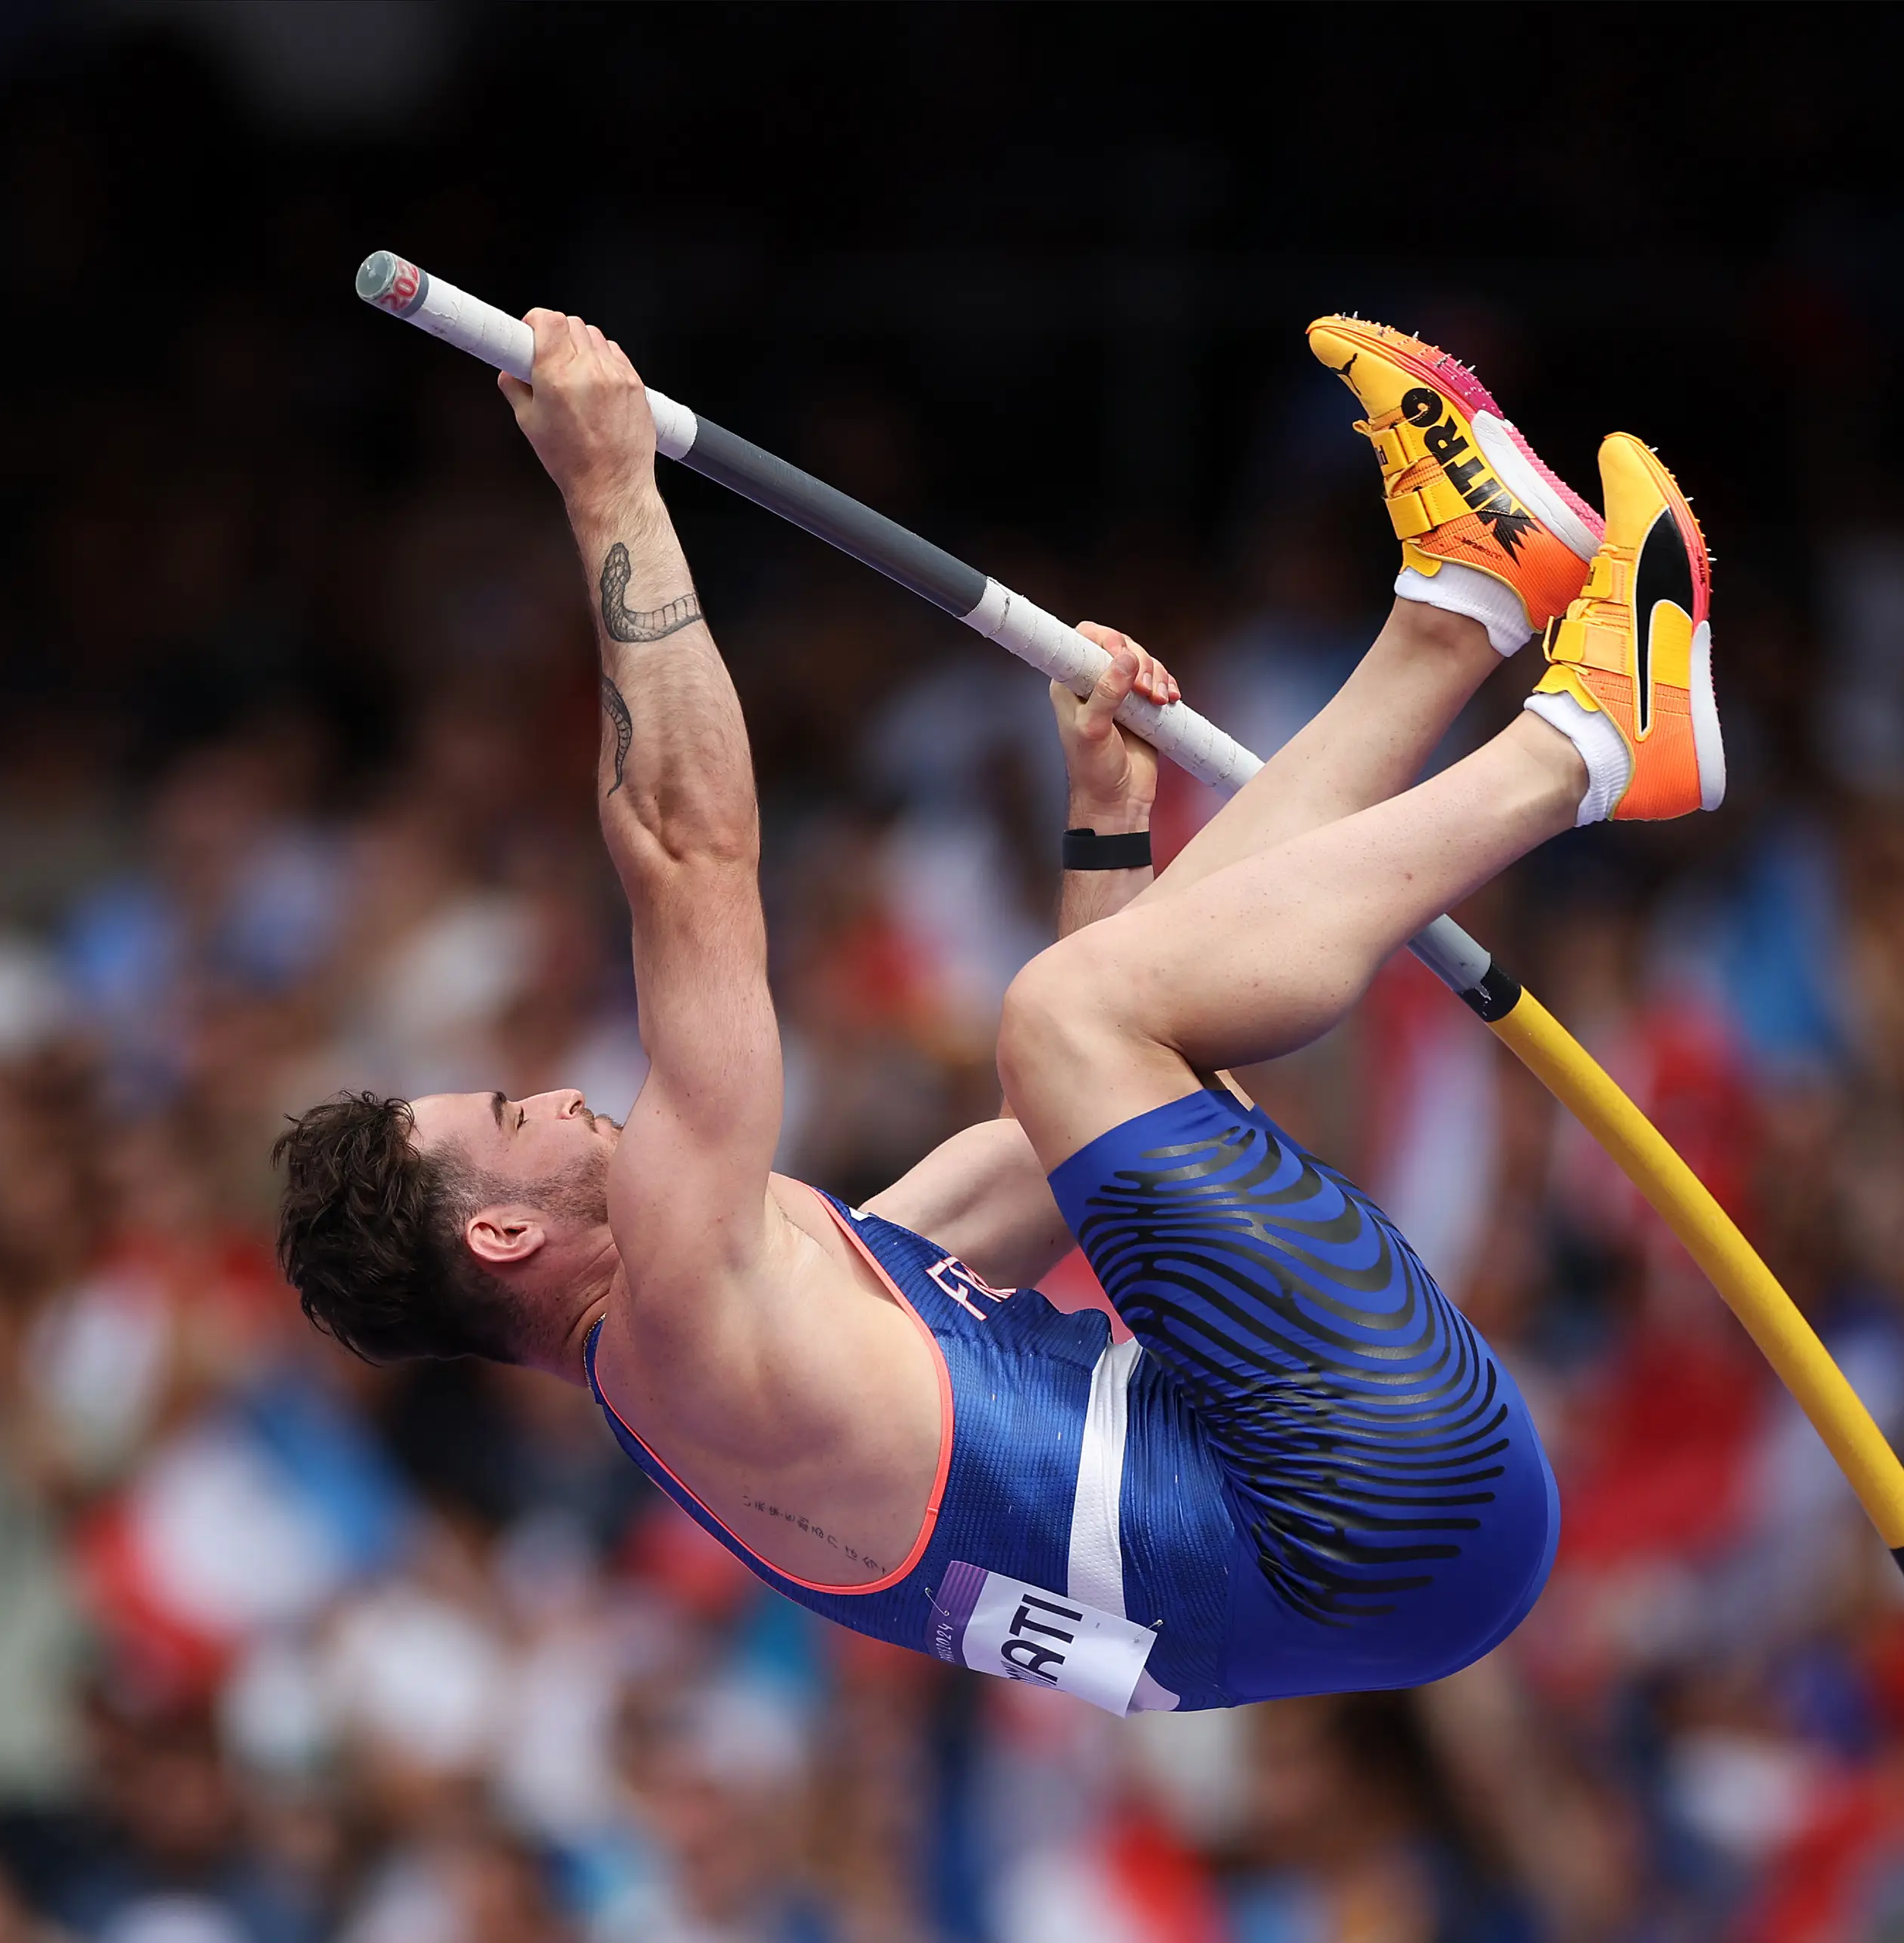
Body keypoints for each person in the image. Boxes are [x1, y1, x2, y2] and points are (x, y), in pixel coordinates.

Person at [275, 313, 1720, 1712]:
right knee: (1065, 1015)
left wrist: (1104, 833)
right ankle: (1591, 742)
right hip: (1368, 1508)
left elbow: (1075, 1150)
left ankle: (1463, 608)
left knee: (1088, 1020)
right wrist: (610, 488)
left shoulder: (752, 1357)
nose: (563, 1097)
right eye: (516, 1118)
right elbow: (686, 851)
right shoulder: (677, 1309)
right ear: (503, 1233)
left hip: (1395, 1554)